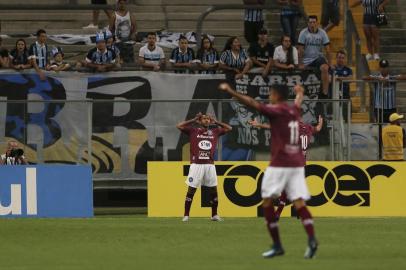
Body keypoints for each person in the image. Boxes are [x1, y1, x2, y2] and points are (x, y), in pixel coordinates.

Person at [219, 82, 318, 259]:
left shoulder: (276, 110)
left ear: (276, 95)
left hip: (280, 163)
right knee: (299, 202)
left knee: (266, 201)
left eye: (271, 94)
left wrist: (231, 91)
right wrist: (300, 92)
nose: (269, 97)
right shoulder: (293, 111)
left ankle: (278, 245)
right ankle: (311, 238)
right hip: (297, 163)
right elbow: (298, 101)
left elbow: (251, 102)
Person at [249, 115, 324, 219]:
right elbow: (318, 128)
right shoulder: (308, 128)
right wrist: (321, 122)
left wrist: (259, 125)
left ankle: (279, 212)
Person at [177, 113, 232, 222]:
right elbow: (179, 126)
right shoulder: (193, 131)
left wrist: (216, 122)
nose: (206, 120)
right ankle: (186, 215)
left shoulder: (215, 131)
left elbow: (229, 128)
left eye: (208, 119)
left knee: (213, 189)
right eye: (204, 119)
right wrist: (193, 119)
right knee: (191, 189)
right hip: (196, 165)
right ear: (200, 121)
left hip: (209, 165)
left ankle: (214, 215)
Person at [297, 15, 332, 97]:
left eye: (314, 22)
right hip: (306, 59)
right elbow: (300, 49)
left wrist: (330, 63)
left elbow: (328, 49)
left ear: (317, 23)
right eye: (310, 22)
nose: (312, 24)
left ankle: (325, 93)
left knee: (325, 68)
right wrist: (300, 63)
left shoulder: (322, 32)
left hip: (317, 58)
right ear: (308, 23)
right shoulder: (303, 33)